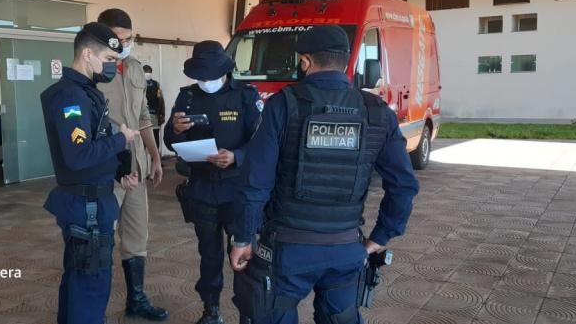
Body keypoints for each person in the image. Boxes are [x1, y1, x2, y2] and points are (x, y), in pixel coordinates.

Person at [229, 25, 419, 324]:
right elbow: (404, 185)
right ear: (346, 60)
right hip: (346, 248)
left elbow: (256, 182)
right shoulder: (376, 111)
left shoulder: (283, 105)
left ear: (305, 62)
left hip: (288, 249)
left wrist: (242, 238)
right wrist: (381, 236)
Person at [40, 22, 141, 324]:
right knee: (91, 285)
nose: (112, 66)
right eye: (109, 59)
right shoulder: (71, 97)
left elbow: (93, 145)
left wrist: (118, 173)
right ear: (87, 55)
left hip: (92, 199)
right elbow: (78, 155)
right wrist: (121, 139)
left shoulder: (86, 93)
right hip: (87, 208)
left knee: (79, 279)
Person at [164, 41, 262, 324]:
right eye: (200, 77)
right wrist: (174, 130)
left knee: (244, 253)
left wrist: (237, 157)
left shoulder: (245, 96)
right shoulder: (187, 97)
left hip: (237, 191)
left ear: (223, 71)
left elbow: (262, 142)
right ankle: (211, 310)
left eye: (210, 76)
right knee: (209, 255)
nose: (205, 82)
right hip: (202, 189)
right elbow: (171, 142)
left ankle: (248, 312)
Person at [96, 8, 168, 321]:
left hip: (136, 165)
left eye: (128, 38)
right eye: (117, 39)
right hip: (106, 167)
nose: (124, 44)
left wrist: (154, 155)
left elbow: (143, 118)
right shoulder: (94, 71)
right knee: (100, 236)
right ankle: (91, 303)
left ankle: (136, 298)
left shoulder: (136, 69)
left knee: (137, 235)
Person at [143, 65, 166, 150]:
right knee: (144, 139)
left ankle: (155, 160)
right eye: (146, 72)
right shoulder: (137, 84)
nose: (147, 73)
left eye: (148, 72)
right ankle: (146, 162)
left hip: (153, 115)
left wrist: (162, 114)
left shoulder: (156, 85)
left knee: (155, 137)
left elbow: (160, 100)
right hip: (142, 116)